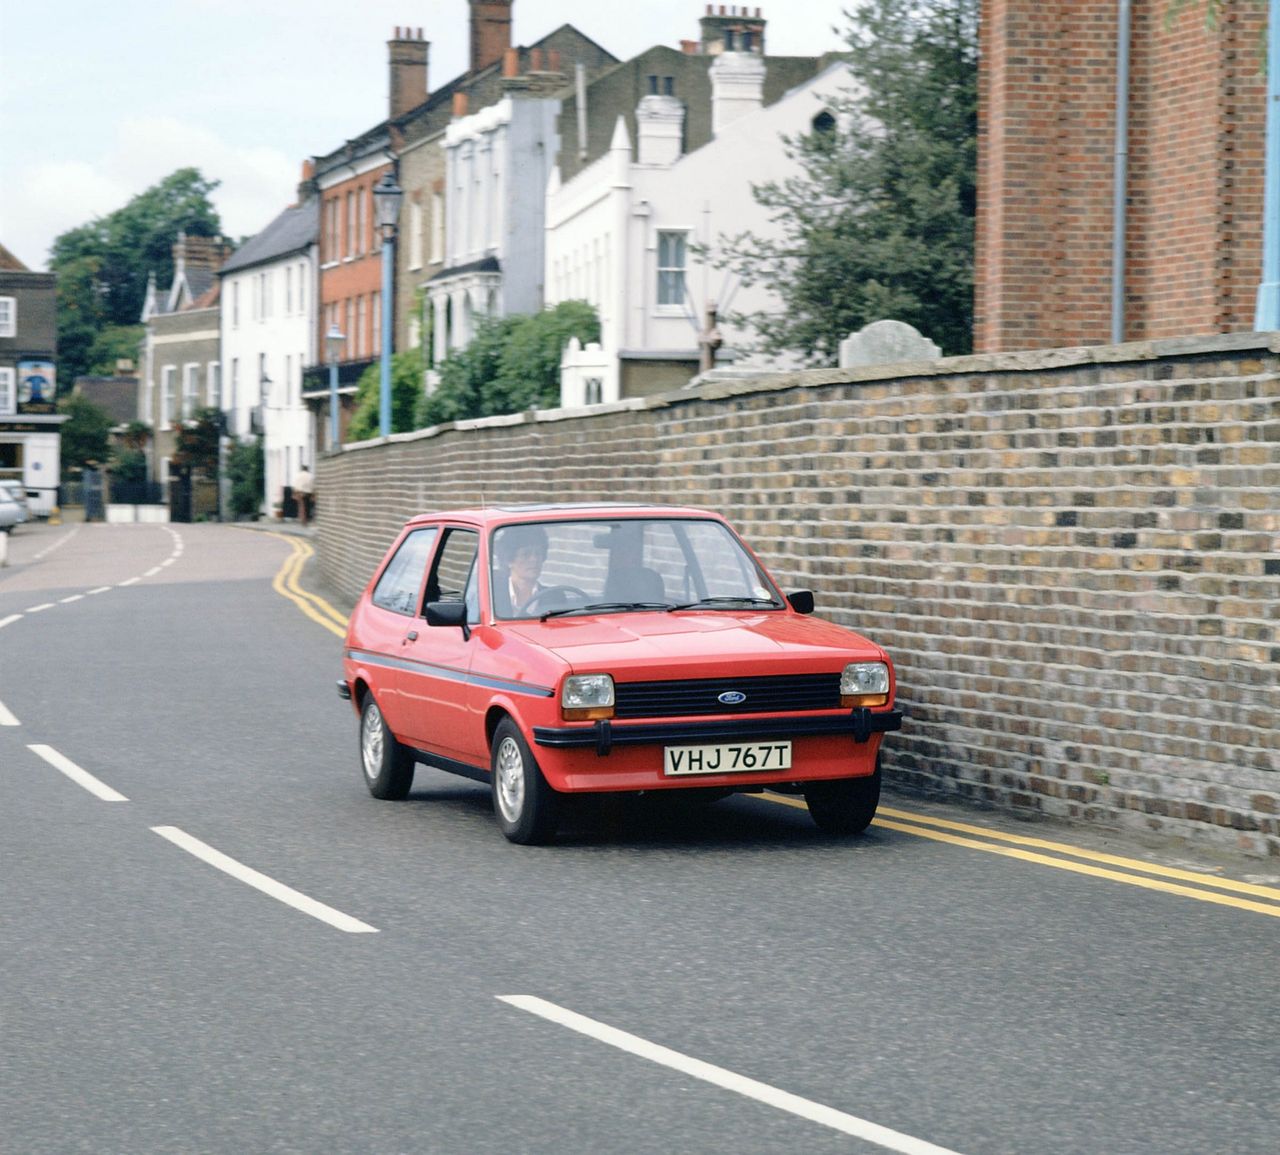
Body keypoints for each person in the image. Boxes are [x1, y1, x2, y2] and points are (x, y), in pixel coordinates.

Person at [492, 525, 548, 617]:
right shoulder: (492, 596)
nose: (534, 559)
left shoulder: (555, 596)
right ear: (509, 560)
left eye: (538, 553)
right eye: (526, 554)